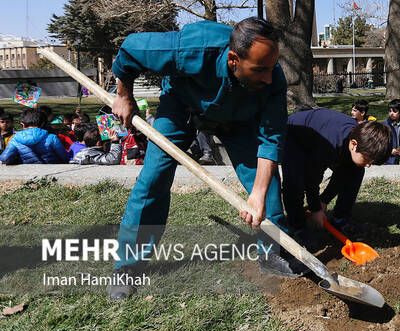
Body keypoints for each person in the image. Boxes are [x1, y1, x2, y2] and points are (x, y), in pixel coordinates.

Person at [107, 17, 297, 300]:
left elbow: (270, 140)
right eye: (260, 70)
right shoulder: (192, 48)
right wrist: (123, 94)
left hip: (240, 119)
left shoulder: (272, 79)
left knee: (266, 185)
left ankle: (272, 252)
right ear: (233, 60)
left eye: (271, 68)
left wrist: (257, 194)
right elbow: (131, 48)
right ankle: (127, 267)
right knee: (153, 178)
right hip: (182, 107)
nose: (269, 77)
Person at [281, 109, 392, 244]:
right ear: (354, 145)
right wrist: (315, 208)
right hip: (296, 134)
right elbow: (312, 178)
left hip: (323, 135)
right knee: (294, 182)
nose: (369, 165)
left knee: (356, 170)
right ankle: (298, 226)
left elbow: (343, 173)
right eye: (368, 160)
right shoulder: (329, 145)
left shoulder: (358, 139)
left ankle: (341, 219)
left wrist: (324, 200)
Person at [0, 109, 68, 165]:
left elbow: (5, 158)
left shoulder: (15, 139)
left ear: (23, 125)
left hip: (26, 172)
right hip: (51, 172)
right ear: (42, 124)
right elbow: (65, 158)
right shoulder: (52, 138)